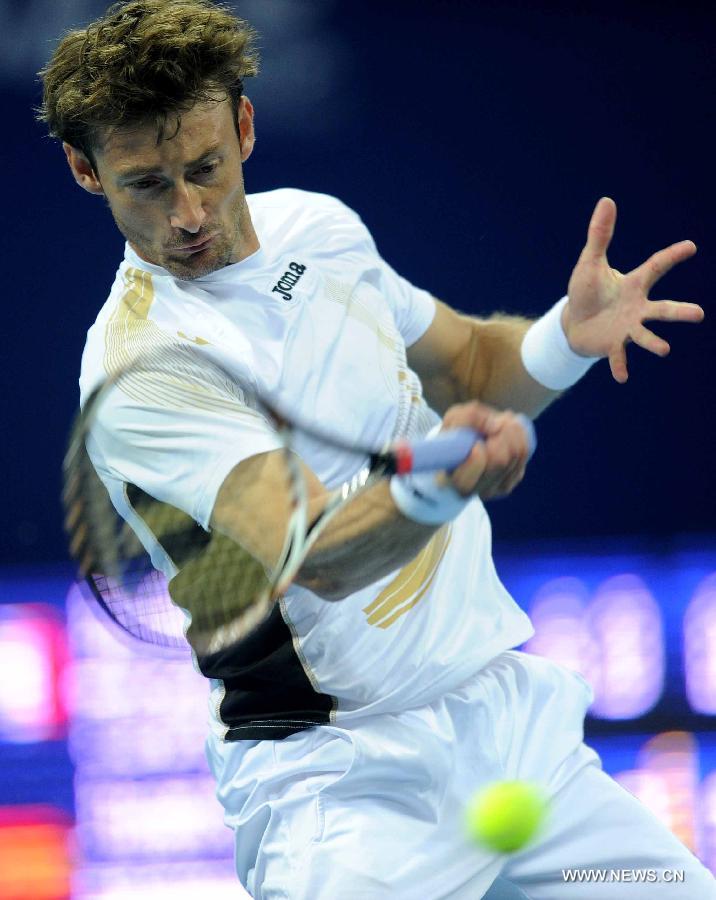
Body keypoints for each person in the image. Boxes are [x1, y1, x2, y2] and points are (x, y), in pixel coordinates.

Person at [39, 1, 713, 897]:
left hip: (514, 743)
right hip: (344, 792)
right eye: (147, 185)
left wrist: (565, 337)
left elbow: (471, 362)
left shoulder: (317, 229)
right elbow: (311, 553)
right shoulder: (145, 371)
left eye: (205, 168)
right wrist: (442, 489)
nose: (190, 213)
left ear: (244, 125)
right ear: (86, 171)